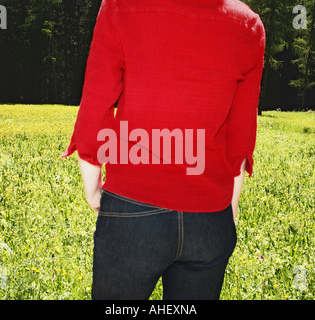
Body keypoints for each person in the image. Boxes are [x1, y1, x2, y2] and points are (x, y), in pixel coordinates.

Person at [61, 0, 265, 300]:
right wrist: (229, 205)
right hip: (209, 217)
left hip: (132, 206)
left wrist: (92, 187)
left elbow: (97, 104)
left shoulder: (120, 8)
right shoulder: (247, 24)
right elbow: (240, 132)